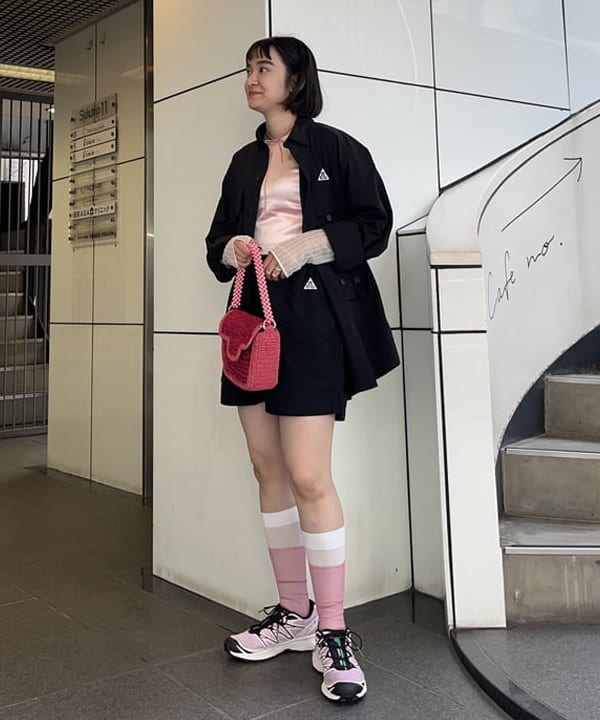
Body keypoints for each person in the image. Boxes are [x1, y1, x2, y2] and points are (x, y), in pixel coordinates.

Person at [206, 35, 399, 704]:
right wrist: (235, 247)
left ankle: (335, 630)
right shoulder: (243, 161)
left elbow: (374, 225)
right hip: (253, 321)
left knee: (310, 475)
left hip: (315, 320)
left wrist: (307, 245)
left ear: (297, 80)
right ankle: (294, 613)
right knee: (267, 469)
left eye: (264, 68)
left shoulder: (337, 149)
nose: (251, 78)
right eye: (248, 68)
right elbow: (215, 242)